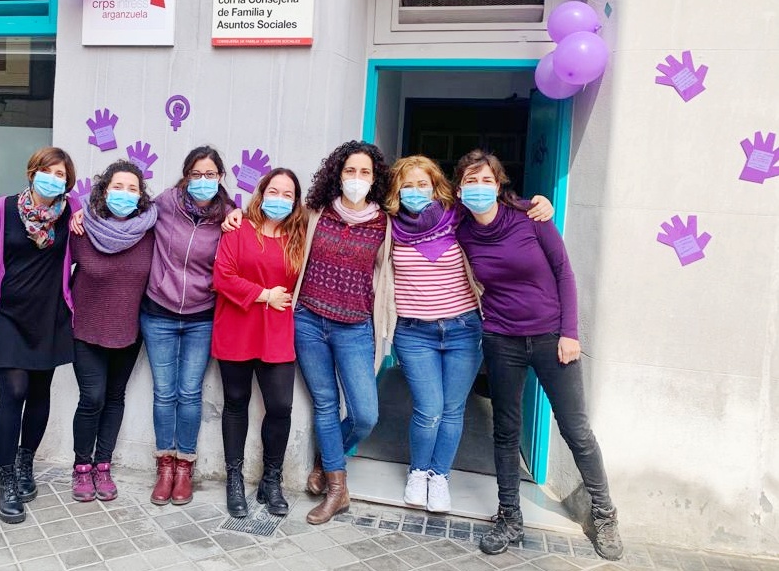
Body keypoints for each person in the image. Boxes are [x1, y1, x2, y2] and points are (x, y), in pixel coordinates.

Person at [454, 149, 623, 561]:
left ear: (499, 184)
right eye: (470, 182)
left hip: (552, 338)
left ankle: (604, 514)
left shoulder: (531, 215)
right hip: (500, 339)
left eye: (486, 181)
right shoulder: (461, 229)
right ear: (459, 190)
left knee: (576, 430)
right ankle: (509, 516)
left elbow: (564, 271)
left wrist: (570, 332)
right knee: (506, 430)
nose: (479, 189)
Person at [386, 155, 553, 513]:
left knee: (452, 409)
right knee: (428, 408)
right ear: (397, 190)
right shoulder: (388, 227)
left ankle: (439, 476)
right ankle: (418, 472)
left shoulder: (457, 219)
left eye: (422, 184)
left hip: (463, 330)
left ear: (437, 187)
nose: (416, 192)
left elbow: (499, 208)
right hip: (414, 334)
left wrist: (536, 204)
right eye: (407, 185)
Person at [0, 146, 76, 525]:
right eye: (48, 171)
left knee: (40, 392)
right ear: (33, 172)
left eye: (61, 174)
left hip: (50, 316)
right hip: (9, 315)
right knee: (13, 393)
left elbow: (107, 226)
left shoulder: (71, 212)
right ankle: (7, 478)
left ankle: (26, 461)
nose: (54, 179)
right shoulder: (4, 208)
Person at [292, 141, 393, 525]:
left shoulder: (386, 224)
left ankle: (327, 459)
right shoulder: (315, 213)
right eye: (350, 171)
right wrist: (235, 218)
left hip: (355, 327)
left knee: (366, 415)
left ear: (375, 179)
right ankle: (338, 488)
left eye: (364, 172)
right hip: (309, 322)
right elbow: (272, 225)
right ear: (338, 174)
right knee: (325, 405)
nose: (356, 179)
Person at [138, 146, 235, 506]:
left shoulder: (229, 215)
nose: (204, 181)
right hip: (159, 312)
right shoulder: (165, 203)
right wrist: (83, 214)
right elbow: (126, 213)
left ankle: (185, 467)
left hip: (201, 316)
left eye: (211, 175)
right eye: (197, 174)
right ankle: (164, 466)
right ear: (185, 176)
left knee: (190, 392)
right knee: (164, 392)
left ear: (221, 178)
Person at [211, 168, 306, 517]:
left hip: (278, 330)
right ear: (261, 192)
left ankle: (272, 479)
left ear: (296, 202)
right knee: (236, 402)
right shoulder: (239, 228)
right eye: (274, 191)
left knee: (280, 406)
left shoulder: (300, 234)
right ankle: (234, 479)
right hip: (237, 325)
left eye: (287, 195)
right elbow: (223, 277)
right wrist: (264, 294)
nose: (279, 199)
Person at [68, 160, 157, 502]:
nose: (125, 194)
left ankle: (102, 465)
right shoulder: (82, 228)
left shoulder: (150, 231)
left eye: (132, 188)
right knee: (92, 398)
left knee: (115, 398)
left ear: (141, 196)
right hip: (86, 329)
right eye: (118, 187)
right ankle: (81, 467)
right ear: (104, 191)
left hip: (128, 330)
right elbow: (55, 268)